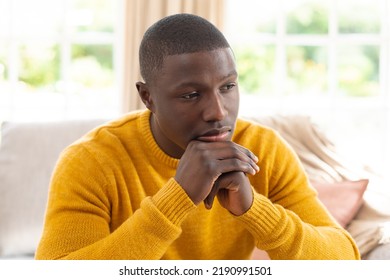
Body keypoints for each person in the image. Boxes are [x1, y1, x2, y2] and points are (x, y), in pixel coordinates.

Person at [35, 13, 360, 260]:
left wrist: (255, 210)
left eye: (228, 86)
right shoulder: (90, 161)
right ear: (148, 97)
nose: (218, 112)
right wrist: (176, 199)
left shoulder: (264, 149)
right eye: (191, 94)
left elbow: (345, 258)